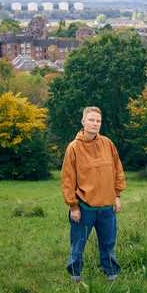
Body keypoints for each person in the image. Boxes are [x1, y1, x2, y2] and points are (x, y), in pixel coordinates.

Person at [61, 106, 126, 282]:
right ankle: (75, 275)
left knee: (108, 244)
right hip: (84, 207)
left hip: (107, 207)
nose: (95, 123)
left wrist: (117, 196)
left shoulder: (108, 144)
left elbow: (118, 170)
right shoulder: (73, 148)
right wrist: (73, 206)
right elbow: (68, 179)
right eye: (91, 120)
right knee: (78, 244)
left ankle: (111, 274)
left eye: (98, 121)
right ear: (83, 122)